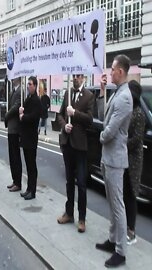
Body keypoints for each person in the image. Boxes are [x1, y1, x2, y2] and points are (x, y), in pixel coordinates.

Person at [95, 54, 133, 268]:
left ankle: (121, 251)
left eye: (112, 69)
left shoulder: (125, 97)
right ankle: (112, 240)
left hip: (115, 160)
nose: (110, 73)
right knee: (111, 203)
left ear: (120, 71)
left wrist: (100, 137)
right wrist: (101, 91)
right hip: (107, 158)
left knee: (118, 206)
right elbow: (103, 116)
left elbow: (108, 131)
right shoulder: (116, 94)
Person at [56, 74, 94, 233]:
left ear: (83, 78)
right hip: (67, 143)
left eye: (78, 76)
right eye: (74, 76)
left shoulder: (89, 96)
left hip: (80, 146)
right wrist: (64, 125)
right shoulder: (67, 94)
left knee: (82, 184)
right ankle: (69, 212)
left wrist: (74, 113)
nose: (75, 79)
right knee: (69, 181)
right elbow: (59, 115)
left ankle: (82, 218)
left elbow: (90, 119)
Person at [123, 80, 145, 245]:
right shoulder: (129, 111)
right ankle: (125, 227)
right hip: (125, 159)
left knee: (131, 195)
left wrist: (121, 142)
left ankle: (131, 231)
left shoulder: (139, 113)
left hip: (134, 161)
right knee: (124, 195)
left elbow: (136, 139)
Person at [18, 76, 41, 200]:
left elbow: (34, 117)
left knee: (32, 165)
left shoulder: (36, 100)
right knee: (28, 164)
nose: (28, 86)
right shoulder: (28, 98)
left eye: (30, 84)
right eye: (28, 84)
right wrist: (21, 110)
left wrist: (23, 116)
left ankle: (33, 191)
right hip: (26, 136)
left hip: (31, 137)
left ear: (35, 86)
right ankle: (28, 188)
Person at [6, 77, 23, 192]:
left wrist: (6, 115)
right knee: (11, 156)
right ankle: (14, 180)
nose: (12, 78)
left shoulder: (20, 91)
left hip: (16, 128)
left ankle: (18, 182)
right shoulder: (13, 91)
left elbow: (16, 107)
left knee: (16, 156)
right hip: (11, 128)